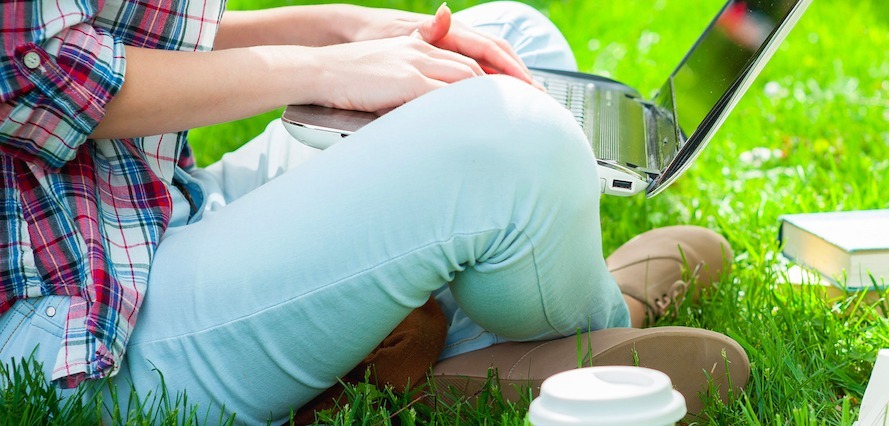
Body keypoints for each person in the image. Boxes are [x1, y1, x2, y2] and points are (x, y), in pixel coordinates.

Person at [0, 0, 749, 422]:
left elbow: (111, 36)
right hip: (85, 324)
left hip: (148, 210)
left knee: (514, 42)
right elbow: (37, 74)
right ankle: (596, 321)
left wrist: (341, 29)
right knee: (513, 138)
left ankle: (409, 347)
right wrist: (325, 68)